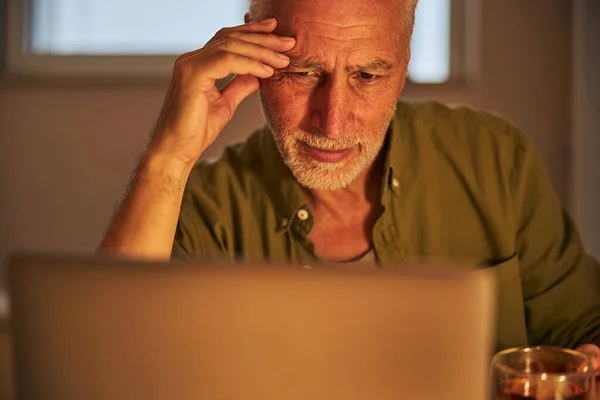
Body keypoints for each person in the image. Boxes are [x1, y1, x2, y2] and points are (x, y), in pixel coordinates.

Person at [98, 0, 600, 364]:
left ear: (403, 63)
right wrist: (168, 158)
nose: (332, 123)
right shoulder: (205, 206)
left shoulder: (495, 159)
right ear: (252, 50)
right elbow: (102, 367)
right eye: (302, 73)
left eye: (367, 76)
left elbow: (583, 327)